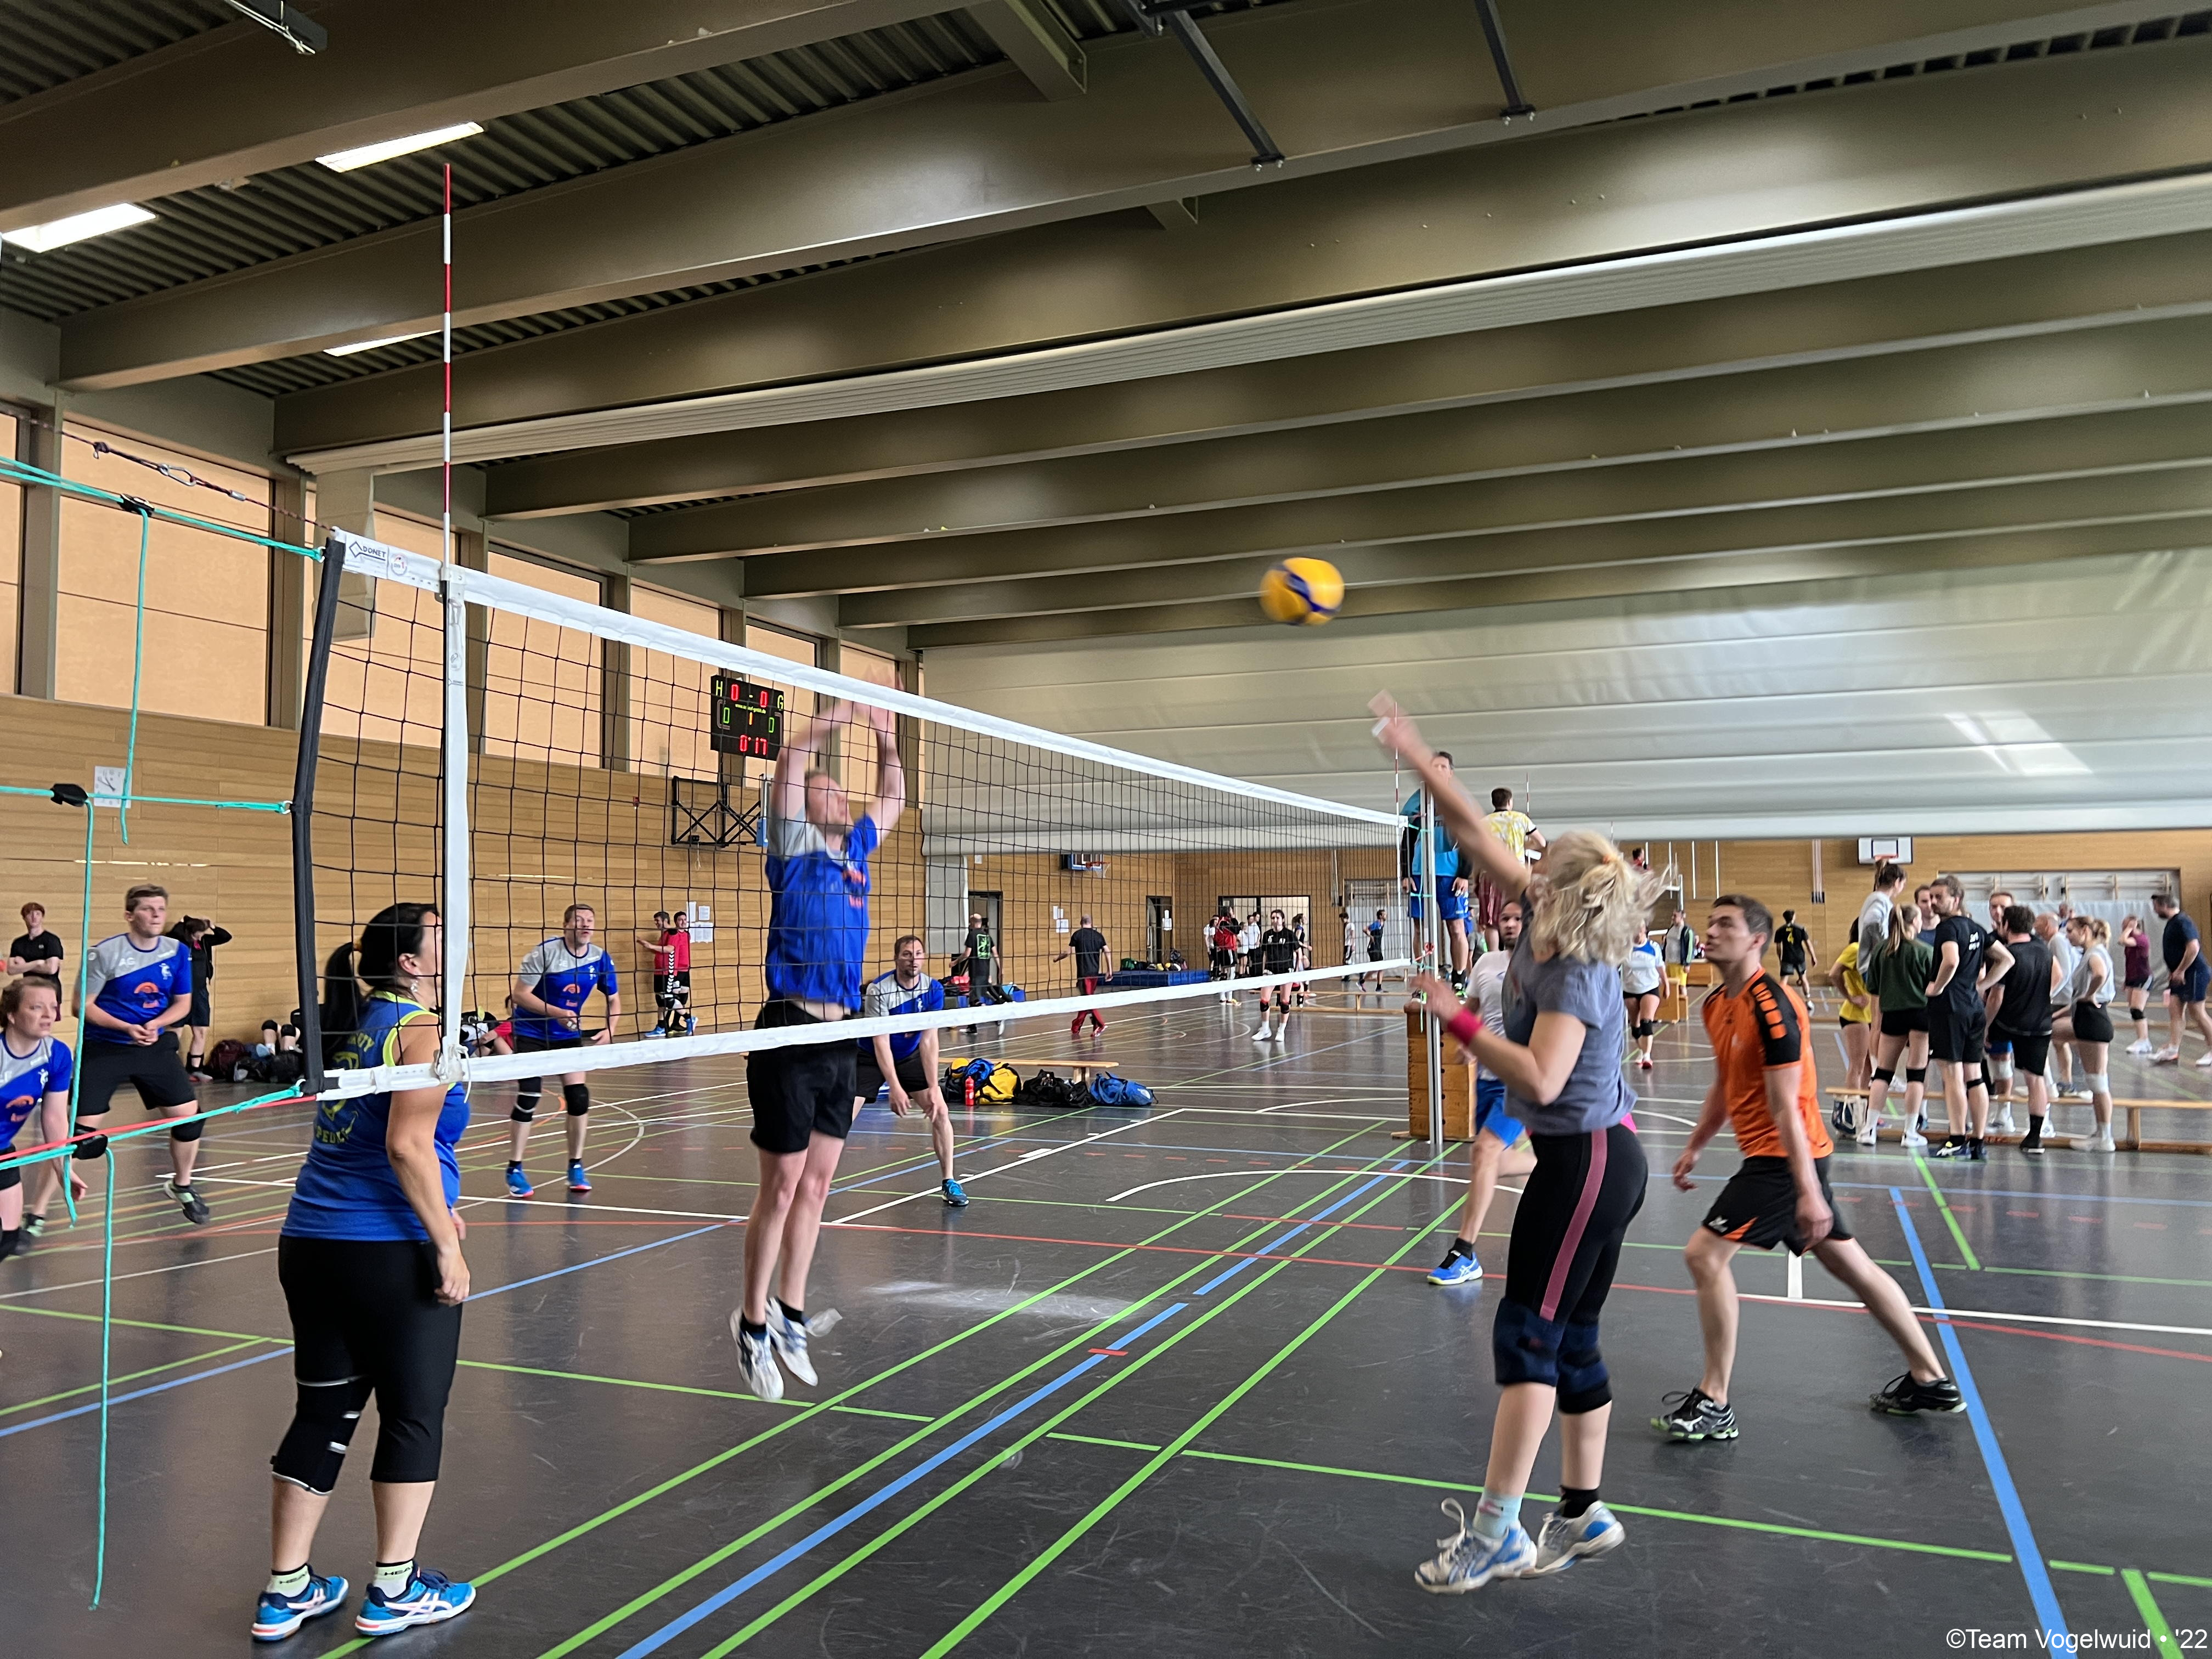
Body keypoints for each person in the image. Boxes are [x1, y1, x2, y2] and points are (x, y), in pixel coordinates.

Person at [1372, 696, 1656, 1593]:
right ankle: (1582, 1509)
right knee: (1571, 1335)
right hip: (1599, 1159)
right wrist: (1420, 754)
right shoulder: (1544, 906)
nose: (1523, 856)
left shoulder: (1575, 966)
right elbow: (1467, 827)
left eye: (1541, 853)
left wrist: (1456, 1017)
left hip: (1587, 1163)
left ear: (1559, 882)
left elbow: (1539, 1076)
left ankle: (1498, 1533)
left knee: (1529, 1334)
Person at [1656, 894, 1962, 1444]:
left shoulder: (1774, 1007)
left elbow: (1786, 1107)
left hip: (1782, 1156)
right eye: (1710, 923)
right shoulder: (1715, 1004)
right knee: (1851, 1265)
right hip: (1781, 1156)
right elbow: (1726, 1083)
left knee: (1703, 1255)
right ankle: (1930, 1378)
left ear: (1756, 941)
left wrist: (1808, 1192)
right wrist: (1696, 1145)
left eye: (1725, 924)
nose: (1711, 932)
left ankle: (1715, 1401)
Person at [258, 902, 475, 1641]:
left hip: (311, 1241)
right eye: (440, 934)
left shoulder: (356, 1021)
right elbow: (406, 1147)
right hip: (386, 1250)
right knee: (413, 1414)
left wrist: (440, 1207)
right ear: (411, 962)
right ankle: (395, 1589)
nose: (454, 939)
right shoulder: (421, 1029)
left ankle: (287, 1590)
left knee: (323, 1412)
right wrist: (444, 1241)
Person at [733, 699, 904, 1403]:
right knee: (780, 1187)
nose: (839, 794)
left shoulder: (857, 849)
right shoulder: (793, 851)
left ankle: (791, 1315)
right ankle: (751, 1324)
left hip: (842, 1038)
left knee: (818, 1186)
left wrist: (887, 735)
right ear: (806, 808)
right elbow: (790, 763)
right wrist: (835, 714)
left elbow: (895, 796)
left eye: (840, 789)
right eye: (826, 789)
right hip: (789, 1032)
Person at [70, 884, 208, 1224]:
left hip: (153, 1046)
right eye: (148, 909)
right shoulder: (103, 954)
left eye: (161, 909)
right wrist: (127, 1027)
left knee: (190, 1119)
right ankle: (38, 1211)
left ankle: (182, 1185)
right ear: (129, 915)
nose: (157, 915)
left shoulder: (177, 952)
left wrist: (156, 1024)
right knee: (79, 1137)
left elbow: (183, 1003)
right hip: (105, 1047)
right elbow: (80, 1006)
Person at [1427, 895, 1538, 1287]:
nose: (1510, 924)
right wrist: (1460, 1032)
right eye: (1504, 918)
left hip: (1520, 1077)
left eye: (1517, 918)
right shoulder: (1486, 964)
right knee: (1494, 1160)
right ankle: (1551, 1165)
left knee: (1485, 1151)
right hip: (1488, 1079)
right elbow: (1473, 1009)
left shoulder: (1543, 967)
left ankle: (1464, 1252)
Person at [504, 904, 620, 1199]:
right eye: (579, 920)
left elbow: (614, 1000)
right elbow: (519, 995)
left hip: (566, 1035)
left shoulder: (600, 958)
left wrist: (610, 1029)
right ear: (566, 925)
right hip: (531, 1032)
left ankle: (576, 1166)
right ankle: (514, 1168)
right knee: (529, 1096)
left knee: (579, 1098)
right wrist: (557, 1012)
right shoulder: (544, 954)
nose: (586, 925)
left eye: (590, 920)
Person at [855, 934, 966, 1206]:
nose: (913, 960)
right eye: (907, 954)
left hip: (909, 1055)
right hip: (870, 1057)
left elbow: (929, 1040)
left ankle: (949, 1181)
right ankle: (813, 1185)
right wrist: (894, 1086)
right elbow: (880, 1042)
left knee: (940, 1110)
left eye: (918, 954)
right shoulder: (879, 990)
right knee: (841, 1116)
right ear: (897, 958)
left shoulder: (933, 989)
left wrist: (934, 1087)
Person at [1925, 875, 2012, 1161]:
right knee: (1974, 1075)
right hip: (1974, 1008)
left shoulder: (1948, 928)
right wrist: (1980, 987)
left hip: (1950, 1008)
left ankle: (1956, 1138)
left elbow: (1950, 960)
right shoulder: (1976, 928)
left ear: (1956, 899)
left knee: (1952, 1076)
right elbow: (2007, 959)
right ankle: (1978, 1141)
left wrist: (1937, 988)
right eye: (1932, 897)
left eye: (1939, 897)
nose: (1934, 902)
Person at [0, 978, 76, 1263]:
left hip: (3, 1151)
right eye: (36, 1008)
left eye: (53, 1007)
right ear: (12, 1014)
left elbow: (54, 1116)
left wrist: (62, 1167)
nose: (48, 1015)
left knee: (7, 1240)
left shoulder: (57, 1055)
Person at [1862, 902, 1935, 1149]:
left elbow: (1873, 988)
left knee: (1883, 1072)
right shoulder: (1925, 951)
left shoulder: (1881, 950)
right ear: (1914, 922)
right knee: (1916, 1075)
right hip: (1921, 1016)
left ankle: (1869, 1129)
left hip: (1892, 1015)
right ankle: (1910, 1132)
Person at [1985, 906, 2056, 1156]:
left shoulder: (2008, 955)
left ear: (2006, 926)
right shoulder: (2044, 951)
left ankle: (1987, 1115)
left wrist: (1985, 1026)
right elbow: (2057, 976)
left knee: (1984, 1060)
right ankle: (2035, 1136)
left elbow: (1996, 997)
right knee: (2035, 1079)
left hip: (2009, 1023)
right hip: (2040, 1024)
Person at [1401, 757, 1472, 986]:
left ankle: (1459, 979)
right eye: (1434, 767)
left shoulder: (1458, 802)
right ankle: (1425, 978)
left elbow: (1469, 840)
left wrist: (1465, 874)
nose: (1438, 770)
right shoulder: (1417, 803)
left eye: (1443, 767)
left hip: (1450, 875)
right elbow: (1407, 840)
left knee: (1456, 928)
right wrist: (1406, 874)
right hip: (1420, 873)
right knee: (1420, 928)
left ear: (1451, 772)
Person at [2053, 916, 2118, 1153]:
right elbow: (2077, 997)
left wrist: (2091, 994)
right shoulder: (2089, 953)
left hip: (2093, 1020)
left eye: (2071, 931)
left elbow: (2099, 974)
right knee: (2047, 1032)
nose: (2067, 935)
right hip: (2083, 1017)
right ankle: (2100, 1133)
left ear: (2085, 930)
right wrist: (2057, 1014)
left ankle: (2105, 1137)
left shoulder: (2095, 954)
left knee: (2097, 1082)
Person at [167, 915, 234, 1081]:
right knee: (176, 1032)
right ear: (190, 931)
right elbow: (171, 935)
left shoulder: (204, 942)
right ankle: (171, 1069)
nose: (201, 936)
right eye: (198, 933)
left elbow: (225, 937)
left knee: (201, 1031)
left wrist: (212, 926)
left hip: (200, 993)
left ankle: (195, 1069)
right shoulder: (179, 942)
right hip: (181, 992)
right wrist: (181, 923)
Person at [1480, 785, 1545, 955]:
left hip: (1492, 874)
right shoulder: (1521, 819)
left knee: (1491, 920)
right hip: (1516, 874)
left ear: (1493, 803)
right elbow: (1542, 843)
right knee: (1519, 914)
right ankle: (1519, 954)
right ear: (1510, 802)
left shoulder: (1484, 823)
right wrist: (1524, 847)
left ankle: (1494, 956)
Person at [2150, 893, 2212, 1065]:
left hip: (2194, 973)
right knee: (2175, 1009)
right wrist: (2175, 971)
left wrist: (2181, 970)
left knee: (2197, 1012)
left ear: (2164, 905)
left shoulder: (2182, 921)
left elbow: (2193, 947)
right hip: (2180, 974)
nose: (2155, 910)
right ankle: (2172, 1049)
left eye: (2156, 907)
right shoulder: (2173, 923)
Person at [2032, 911, 2080, 1103]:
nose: (2034, 925)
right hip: (2062, 996)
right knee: (2060, 1043)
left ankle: (2056, 1082)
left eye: (2038, 921)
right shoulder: (2053, 942)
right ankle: (2064, 1082)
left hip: (2062, 998)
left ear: (2047, 925)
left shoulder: (2057, 941)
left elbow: (2064, 971)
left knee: (2057, 1039)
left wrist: (2050, 993)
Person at [1830, 924, 1874, 1096]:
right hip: (1856, 1015)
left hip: (1870, 1015)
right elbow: (1834, 973)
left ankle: (1864, 1107)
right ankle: (1853, 1108)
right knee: (1857, 1066)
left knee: (1868, 1067)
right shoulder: (1855, 948)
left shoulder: (1869, 952)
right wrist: (1851, 997)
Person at [1056, 915, 1110, 1036]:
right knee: (1086, 999)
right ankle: (1076, 1026)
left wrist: (1057, 959)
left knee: (1088, 1000)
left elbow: (1068, 953)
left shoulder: (1077, 935)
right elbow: (1107, 951)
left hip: (1084, 974)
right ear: (1091, 922)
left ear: (1081, 922)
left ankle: (1100, 1024)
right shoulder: (1098, 935)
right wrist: (1110, 970)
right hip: (1095, 974)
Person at [1252, 909, 1301, 1043]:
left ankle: (1281, 1030)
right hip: (1270, 971)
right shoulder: (1267, 935)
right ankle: (1265, 1029)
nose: (1275, 920)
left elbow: (1299, 952)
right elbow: (1265, 955)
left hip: (1286, 971)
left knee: (1285, 1002)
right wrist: (1263, 971)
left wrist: (1297, 972)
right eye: (1273, 918)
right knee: (1264, 1000)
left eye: (1277, 918)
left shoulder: (1290, 934)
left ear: (1283, 920)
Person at [1620, 927, 1663, 1070]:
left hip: (1650, 987)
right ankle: (1642, 1050)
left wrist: (1667, 985)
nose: (1636, 934)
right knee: (1636, 1027)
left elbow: (1660, 967)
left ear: (1645, 932)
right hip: (1631, 989)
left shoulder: (1653, 947)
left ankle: (1647, 1056)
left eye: (1640, 931)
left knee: (1646, 1021)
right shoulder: (1625, 948)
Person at [1855, 861, 1905, 981]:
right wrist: (1885, 944)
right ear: (1897, 882)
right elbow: (1872, 921)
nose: (1903, 888)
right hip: (1875, 966)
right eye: (1903, 884)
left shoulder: (1877, 898)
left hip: (1874, 965)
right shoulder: (1880, 900)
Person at [957, 911, 1008, 1024]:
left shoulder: (972, 935)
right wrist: (1001, 969)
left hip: (976, 972)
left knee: (974, 999)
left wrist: (955, 962)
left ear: (972, 923)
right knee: (984, 994)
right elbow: (995, 954)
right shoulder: (987, 936)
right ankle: (999, 1008)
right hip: (986, 971)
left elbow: (967, 954)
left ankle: (993, 1011)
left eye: (970, 923)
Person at [2120, 913, 2155, 1054]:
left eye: (2126, 925)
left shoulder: (2141, 939)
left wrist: (2130, 928)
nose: (2123, 927)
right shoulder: (2131, 939)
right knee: (2133, 1009)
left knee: (2137, 1009)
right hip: (2133, 977)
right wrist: (2127, 980)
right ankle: (2142, 1039)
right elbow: (2130, 961)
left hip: (2143, 977)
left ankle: (2144, 1041)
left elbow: (2122, 940)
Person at [7, 901, 64, 983]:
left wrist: (23, 966)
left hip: (49, 986)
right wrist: (37, 963)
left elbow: (52, 969)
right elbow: (11, 970)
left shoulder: (52, 940)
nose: (34, 917)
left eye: (38, 914)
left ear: (42, 917)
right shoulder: (18, 943)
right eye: (30, 914)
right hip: (29, 986)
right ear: (24, 918)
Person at [1772, 909, 1816, 1000]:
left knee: (1783, 981)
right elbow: (1809, 945)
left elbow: (1779, 948)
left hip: (1787, 958)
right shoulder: (1801, 929)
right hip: (1800, 958)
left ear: (1785, 918)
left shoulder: (1780, 930)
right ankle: (1808, 1000)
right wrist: (1813, 957)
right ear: (1794, 917)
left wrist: (1780, 959)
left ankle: (1780, 1000)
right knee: (1803, 978)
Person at [1660, 909, 1697, 1008]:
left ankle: (1683, 1009)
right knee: (1669, 986)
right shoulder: (1671, 929)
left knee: (1681, 987)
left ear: (1682, 917)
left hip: (1679, 964)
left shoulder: (1687, 931)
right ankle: (1672, 1009)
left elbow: (1690, 948)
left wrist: (1687, 964)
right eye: (1673, 915)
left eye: (1675, 916)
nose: (1673, 918)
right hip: (1669, 962)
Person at [1210, 909, 1240, 1002]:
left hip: (1226, 949)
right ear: (1229, 913)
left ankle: (1226, 997)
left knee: (1227, 973)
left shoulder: (1222, 923)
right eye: (1232, 912)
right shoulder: (1224, 923)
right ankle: (1226, 997)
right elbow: (1237, 930)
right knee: (1231, 974)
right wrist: (1234, 918)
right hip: (1227, 949)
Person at [1363, 909, 1387, 992]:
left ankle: (1379, 987)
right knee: (1375, 968)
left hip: (1378, 949)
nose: (1386, 916)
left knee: (1381, 968)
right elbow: (1365, 929)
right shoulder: (1376, 924)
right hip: (1373, 949)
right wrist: (1371, 937)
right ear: (1380, 916)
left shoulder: (1382, 924)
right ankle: (1361, 981)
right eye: (1384, 914)